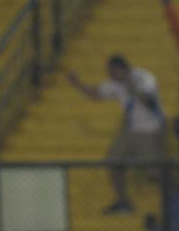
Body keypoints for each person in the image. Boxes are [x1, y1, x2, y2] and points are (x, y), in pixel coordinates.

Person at [68, 55, 167, 214]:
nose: (111, 76)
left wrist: (131, 86)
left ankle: (171, 201)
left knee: (154, 171)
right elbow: (96, 94)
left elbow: (150, 101)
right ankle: (123, 202)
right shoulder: (115, 83)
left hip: (150, 129)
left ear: (122, 68)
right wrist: (78, 84)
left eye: (113, 72)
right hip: (131, 129)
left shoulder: (144, 77)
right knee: (113, 159)